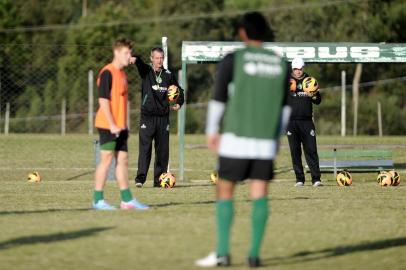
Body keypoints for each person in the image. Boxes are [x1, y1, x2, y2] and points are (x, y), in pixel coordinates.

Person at [195, 12, 291, 268]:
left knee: (225, 191)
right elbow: (285, 108)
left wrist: (212, 129)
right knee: (259, 194)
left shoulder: (234, 59)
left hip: (236, 139)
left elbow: (219, 97)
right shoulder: (281, 64)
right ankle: (254, 255)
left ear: (243, 33)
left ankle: (223, 253)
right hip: (265, 142)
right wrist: (277, 138)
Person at [93, 38, 149, 210]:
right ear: (116, 53)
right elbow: (103, 101)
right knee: (106, 160)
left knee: (123, 160)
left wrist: (124, 125)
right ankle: (98, 200)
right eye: (126, 53)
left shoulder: (123, 74)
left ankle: (127, 200)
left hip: (120, 126)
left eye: (130, 53)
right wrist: (112, 124)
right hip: (107, 125)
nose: (129, 56)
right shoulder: (107, 72)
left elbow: (122, 102)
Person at [130, 47, 184, 187]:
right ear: (151, 58)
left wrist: (178, 103)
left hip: (163, 117)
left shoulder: (168, 75)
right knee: (145, 149)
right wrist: (134, 58)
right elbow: (139, 63)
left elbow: (180, 91)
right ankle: (140, 179)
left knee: (162, 151)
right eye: (157, 58)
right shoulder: (146, 71)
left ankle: (158, 180)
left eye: (161, 58)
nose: (159, 60)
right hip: (147, 117)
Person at [287, 57, 322, 187]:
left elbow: (318, 101)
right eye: (295, 69)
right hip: (291, 122)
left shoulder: (310, 81)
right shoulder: (287, 82)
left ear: (303, 68)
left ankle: (316, 179)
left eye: (300, 68)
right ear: (292, 69)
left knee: (311, 150)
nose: (298, 71)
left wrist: (314, 94)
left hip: (307, 122)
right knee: (295, 151)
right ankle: (299, 179)